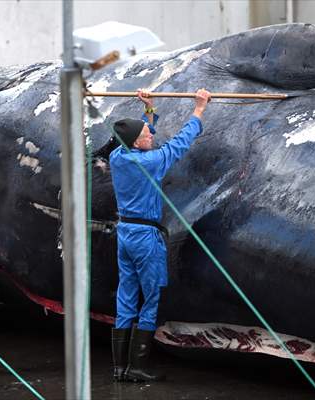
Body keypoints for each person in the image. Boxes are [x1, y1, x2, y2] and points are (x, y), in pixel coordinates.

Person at [109, 88, 211, 382]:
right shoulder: (148, 162)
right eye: (146, 135)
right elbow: (178, 145)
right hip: (144, 238)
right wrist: (199, 109)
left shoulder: (119, 156)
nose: (151, 136)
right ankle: (138, 367)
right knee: (150, 297)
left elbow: (142, 133)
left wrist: (149, 111)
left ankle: (119, 369)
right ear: (136, 144)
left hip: (125, 234)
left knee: (126, 297)